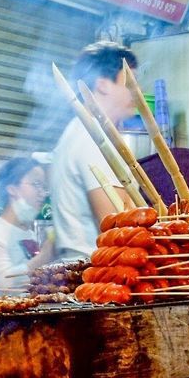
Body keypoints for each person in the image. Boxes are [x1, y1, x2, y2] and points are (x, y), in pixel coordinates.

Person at [49, 42, 138, 260]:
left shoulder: (77, 132)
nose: (137, 93)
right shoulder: (94, 139)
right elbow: (116, 225)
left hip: (83, 271)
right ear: (103, 85)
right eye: (130, 84)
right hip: (97, 275)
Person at [0, 156, 54, 294]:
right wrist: (44, 257)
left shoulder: (29, 232)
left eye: (44, 187)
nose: (42, 194)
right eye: (36, 184)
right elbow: (5, 284)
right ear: (12, 189)